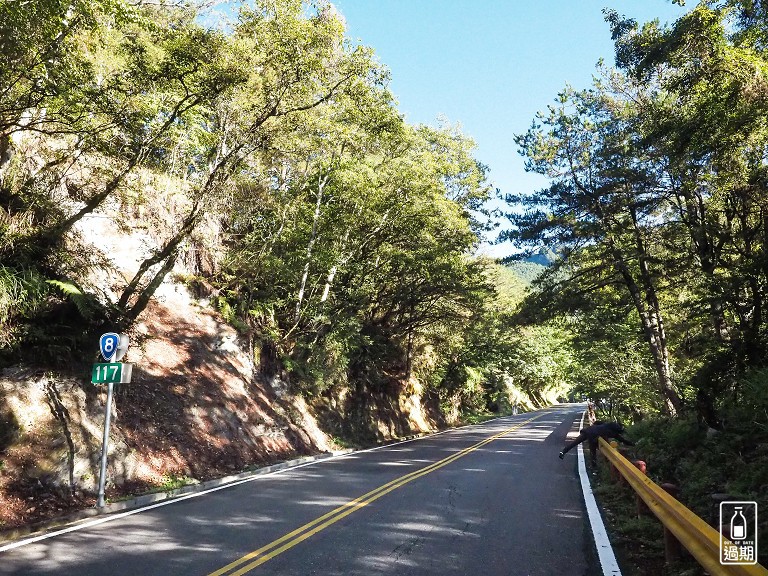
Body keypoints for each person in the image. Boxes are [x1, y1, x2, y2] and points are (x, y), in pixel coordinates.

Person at [558, 420, 634, 466]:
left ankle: (563, 451)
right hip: (594, 435)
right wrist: (633, 444)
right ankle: (594, 466)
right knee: (593, 450)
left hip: (589, 430)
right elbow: (623, 440)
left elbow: (597, 422)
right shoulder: (614, 433)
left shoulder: (606, 425)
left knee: (575, 443)